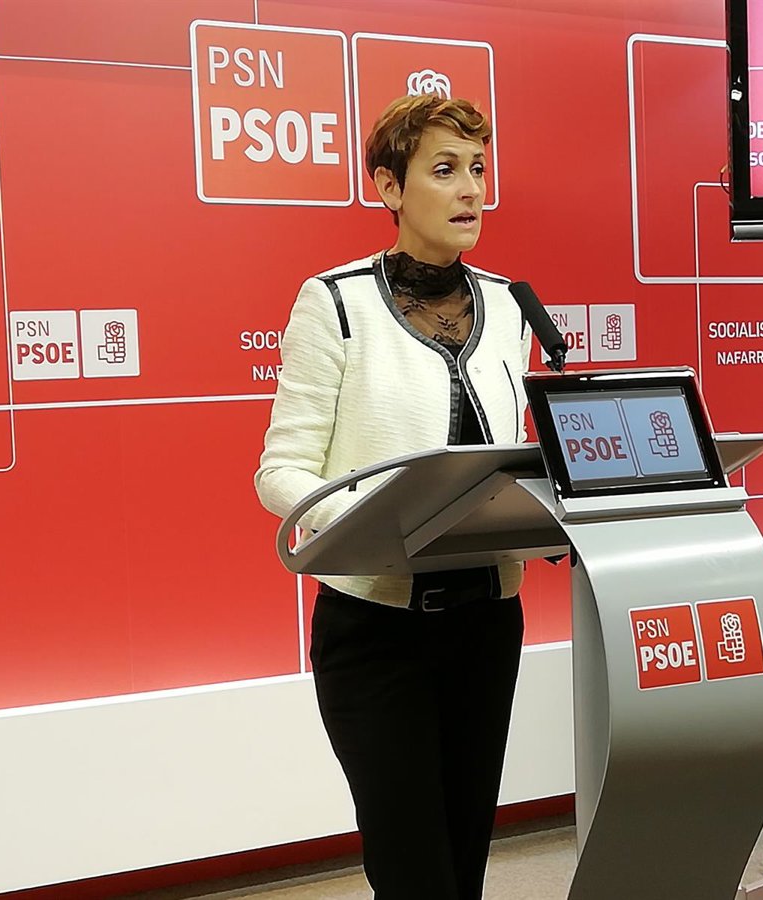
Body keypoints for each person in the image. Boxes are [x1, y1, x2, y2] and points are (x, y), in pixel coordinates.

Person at [254, 94, 533, 900]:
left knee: (464, 862)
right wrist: (374, 522)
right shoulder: (334, 301)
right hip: (377, 632)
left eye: (478, 169)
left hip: (488, 623)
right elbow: (281, 471)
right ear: (388, 186)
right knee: (414, 872)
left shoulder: (512, 305)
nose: (470, 190)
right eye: (444, 170)